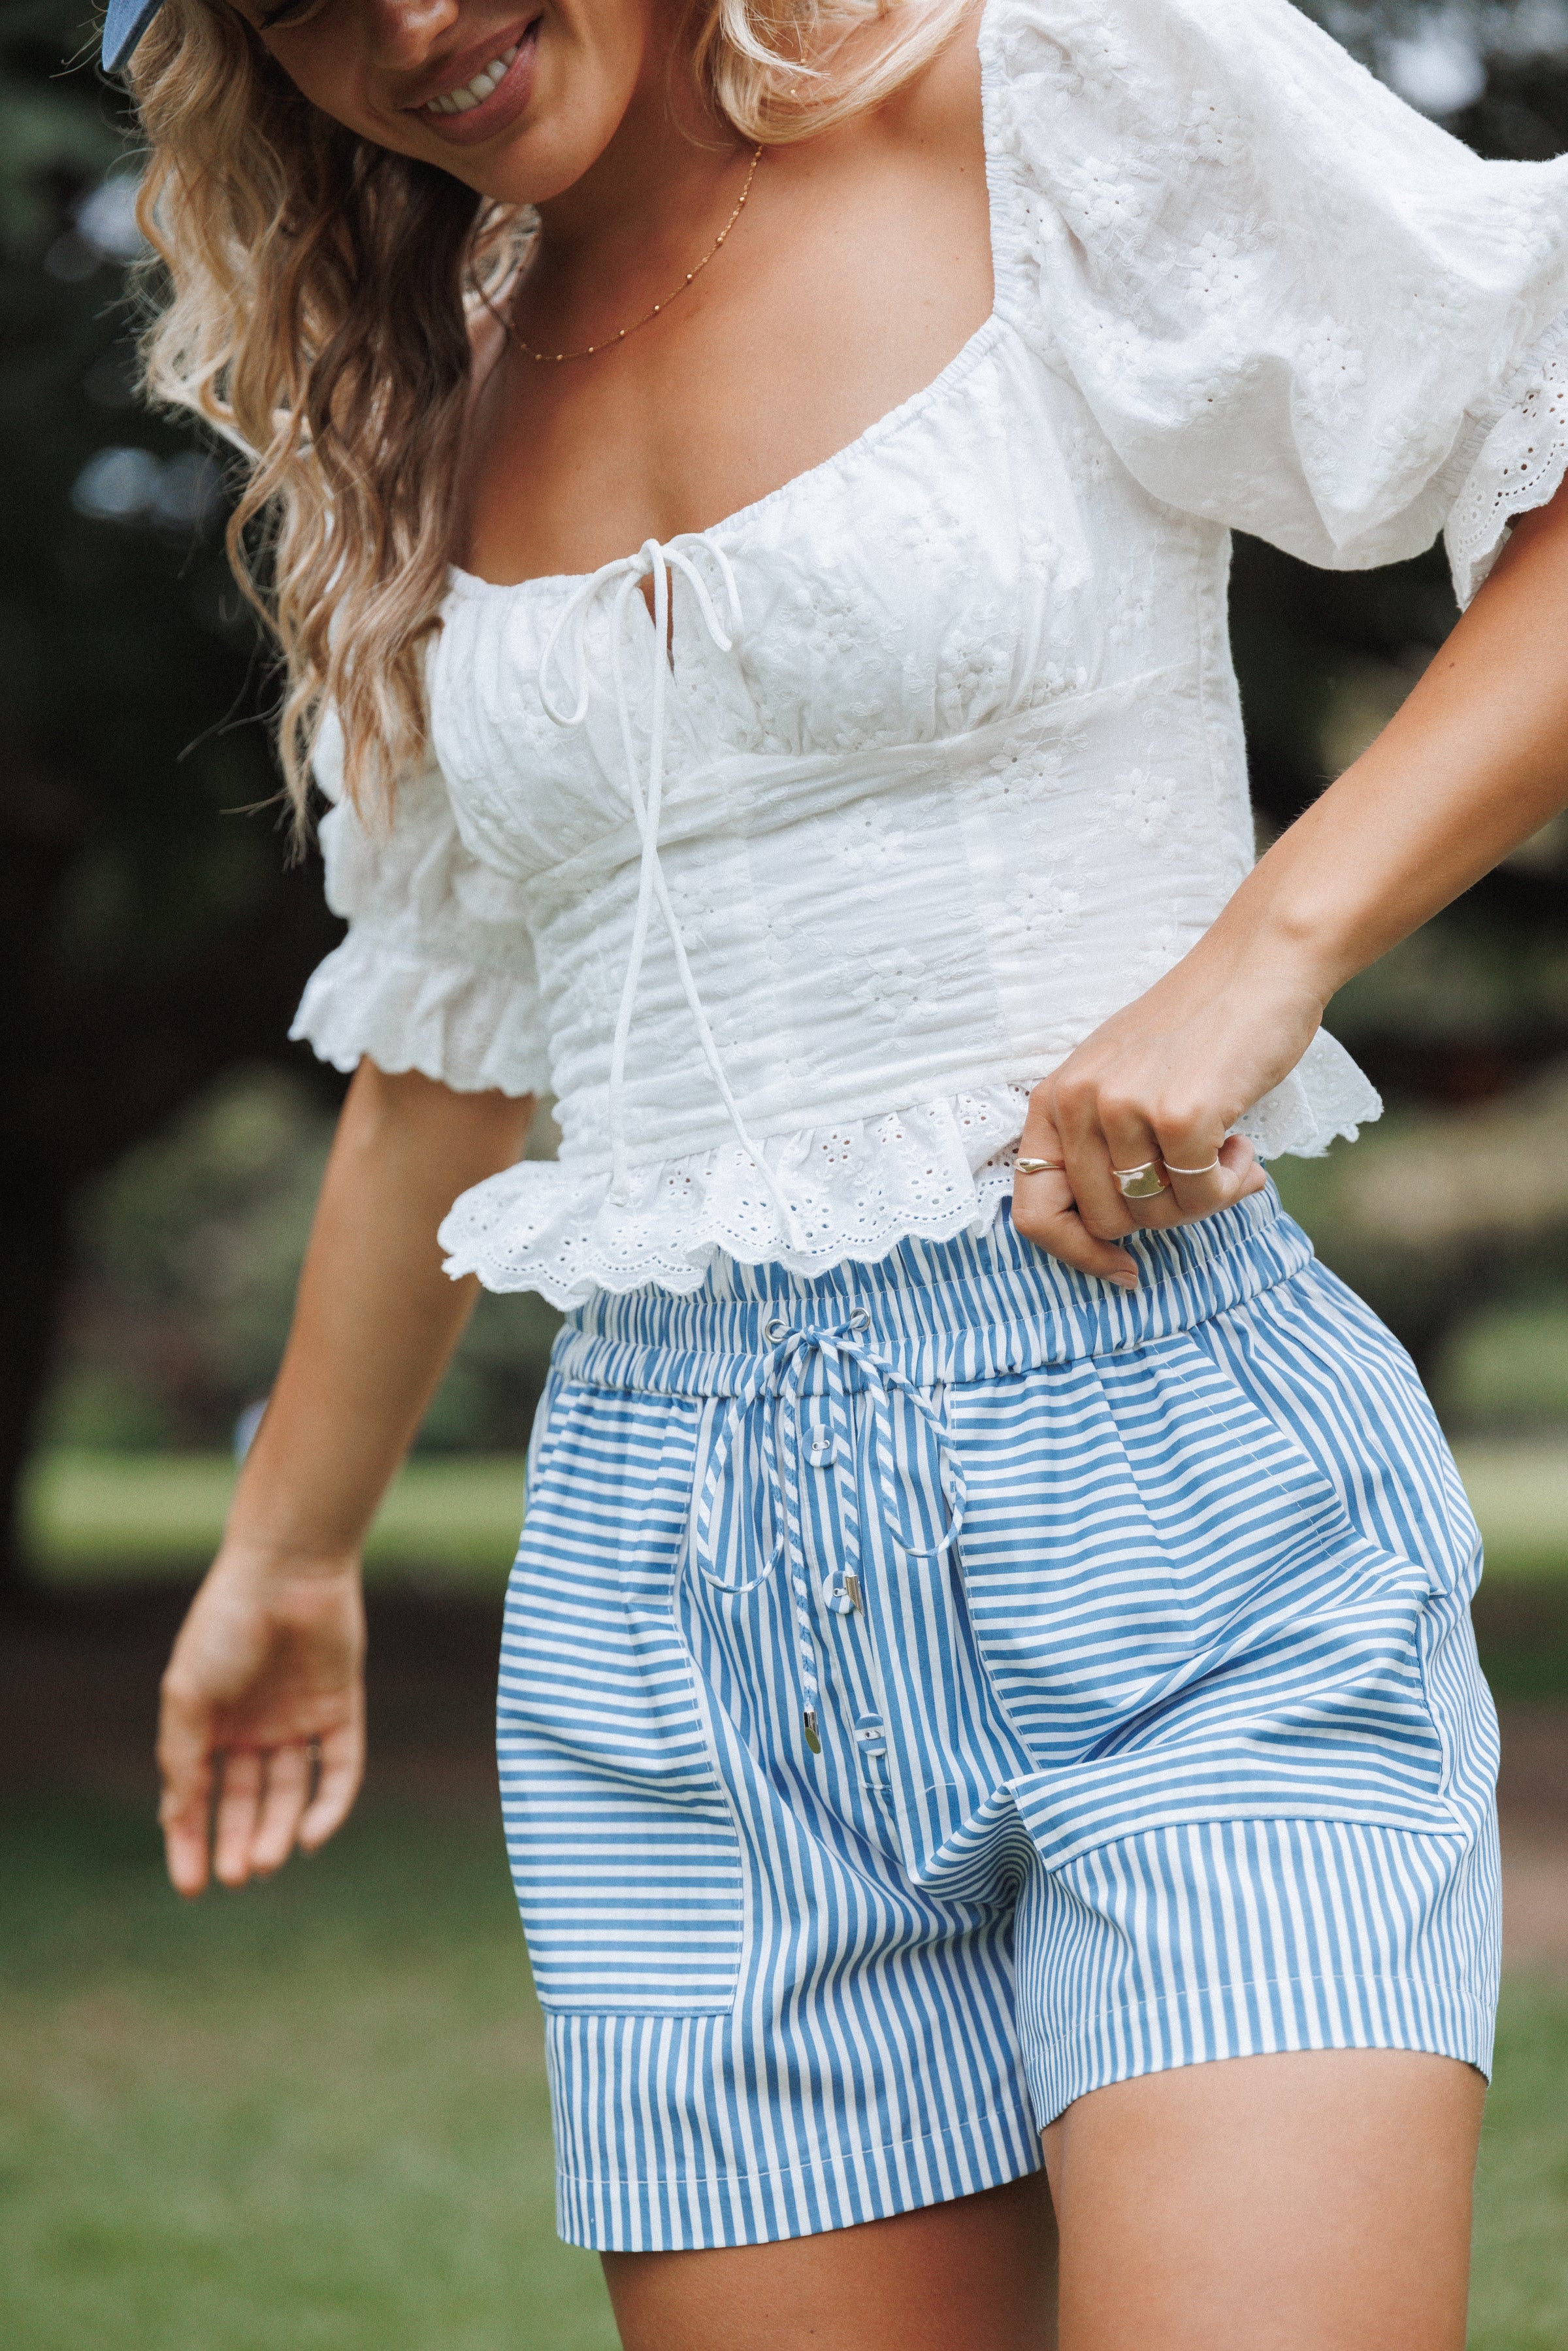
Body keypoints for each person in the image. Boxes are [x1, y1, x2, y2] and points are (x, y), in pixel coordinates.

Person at [106, 0, 1568, 2337]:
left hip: (1174, 1506)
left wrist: (1272, 945)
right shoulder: (409, 412)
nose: (406, 24)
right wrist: (286, 1557)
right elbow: (448, 1056)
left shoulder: (1050, 83)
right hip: (672, 1614)